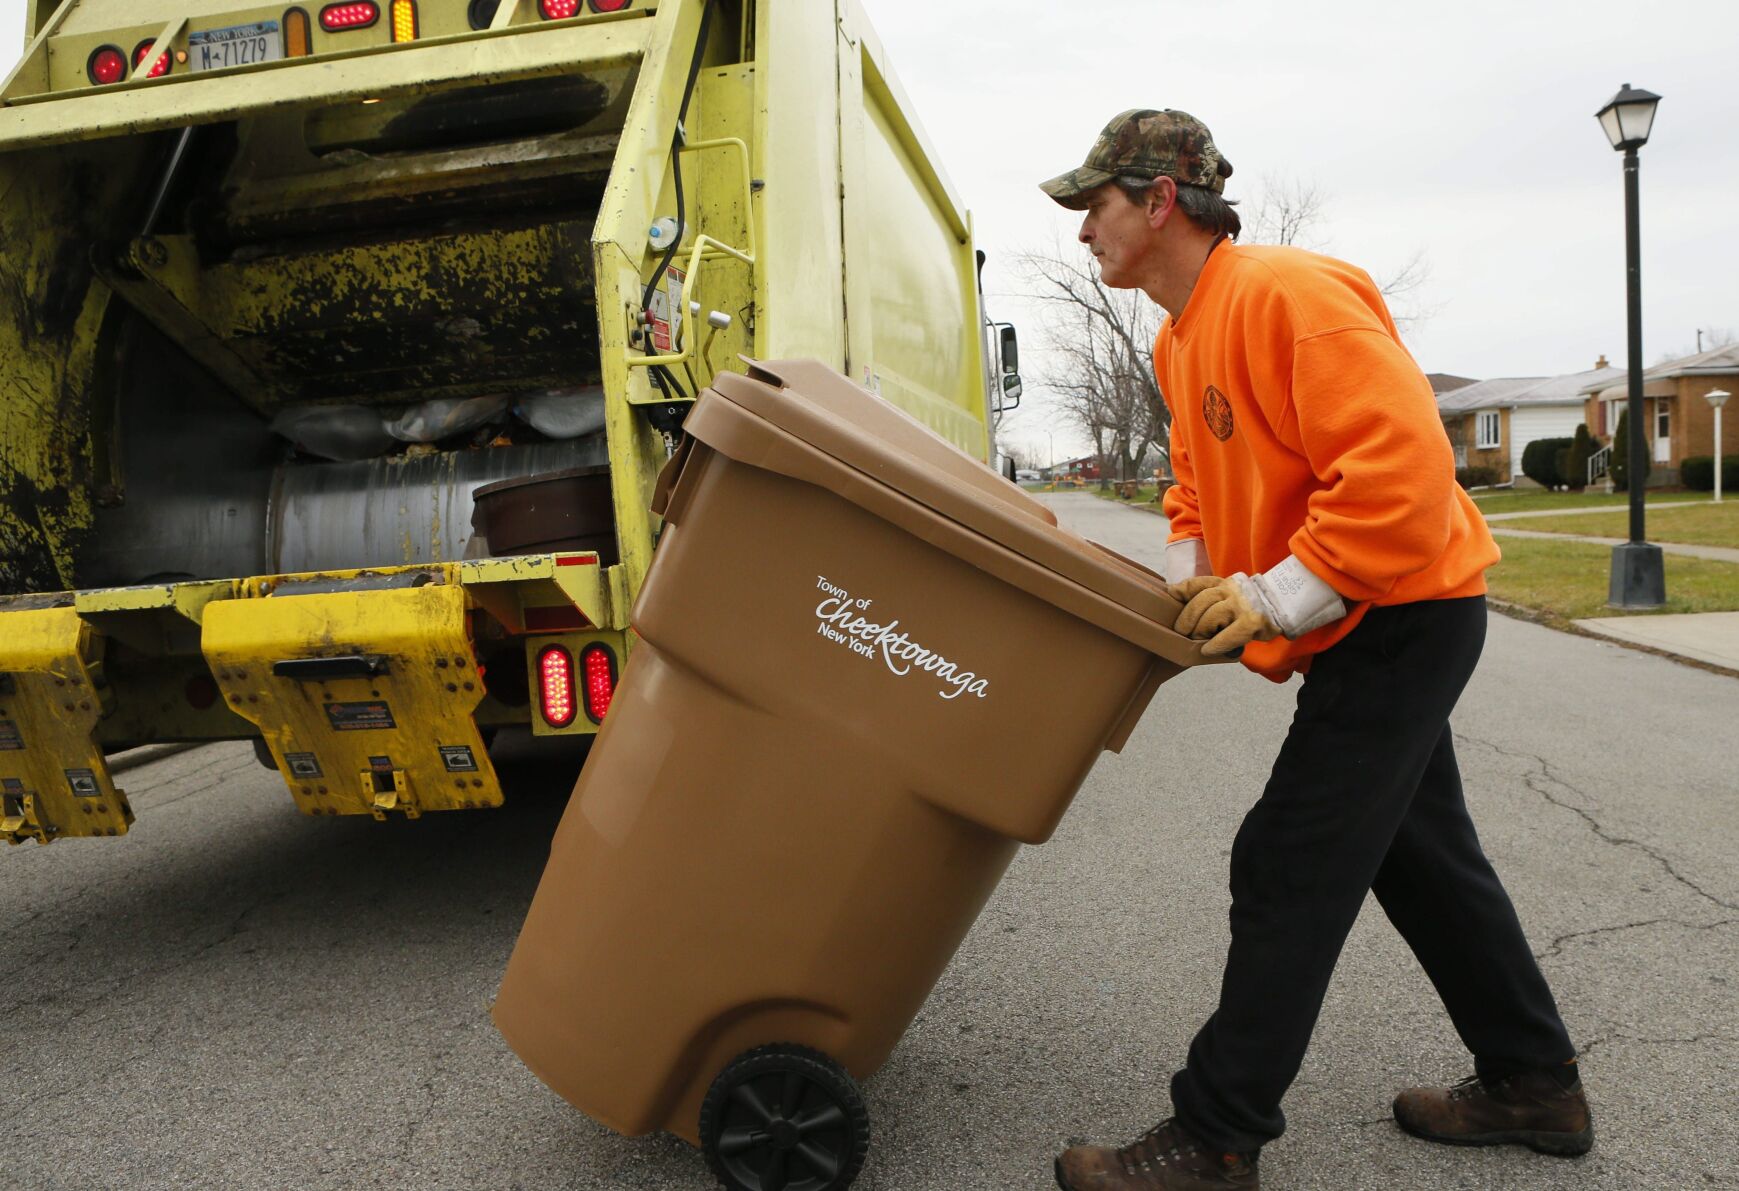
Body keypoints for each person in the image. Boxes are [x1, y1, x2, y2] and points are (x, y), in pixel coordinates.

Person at [1038, 110, 1591, 1190]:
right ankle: (1533, 1082)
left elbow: (1400, 477)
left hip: (1408, 609)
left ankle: (1213, 1135)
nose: (1079, 231)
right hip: (1365, 618)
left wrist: (1271, 598)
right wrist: (1191, 582)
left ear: (1159, 201)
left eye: (1092, 205)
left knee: (1287, 860)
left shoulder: (1286, 296)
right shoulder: (1177, 331)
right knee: (1423, 859)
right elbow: (1195, 479)